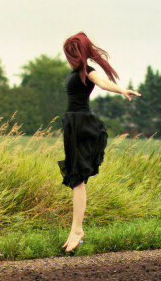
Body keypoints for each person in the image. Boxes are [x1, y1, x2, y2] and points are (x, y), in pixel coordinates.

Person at [58, 31, 141, 253]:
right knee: (76, 178)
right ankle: (75, 229)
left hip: (82, 126)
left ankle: (77, 229)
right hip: (73, 125)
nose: (69, 59)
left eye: (71, 54)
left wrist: (121, 90)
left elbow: (103, 84)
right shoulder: (75, 72)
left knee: (77, 178)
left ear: (79, 54)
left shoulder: (88, 72)